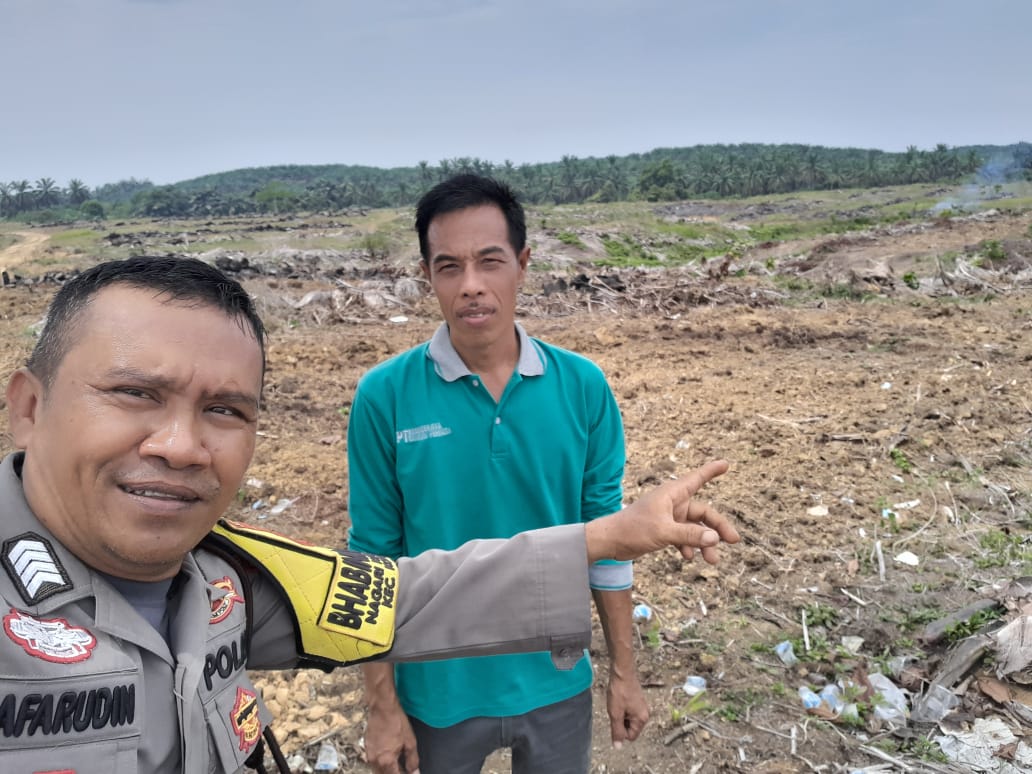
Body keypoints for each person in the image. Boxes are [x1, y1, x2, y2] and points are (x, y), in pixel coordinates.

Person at [0, 255, 740, 773]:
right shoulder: (387, 394)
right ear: (29, 408)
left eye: (224, 410)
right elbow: (380, 537)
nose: (181, 446)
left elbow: (404, 595)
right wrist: (386, 711)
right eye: (135, 393)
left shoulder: (230, 579)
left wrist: (612, 534)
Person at [346, 174, 648, 774]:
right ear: (428, 276)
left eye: (490, 261)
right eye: (450, 266)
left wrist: (623, 672)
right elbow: (371, 559)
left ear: (523, 264)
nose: (472, 286)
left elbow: (606, 542)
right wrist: (381, 705)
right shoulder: (385, 396)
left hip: (556, 680)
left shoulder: (582, 388)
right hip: (436, 690)